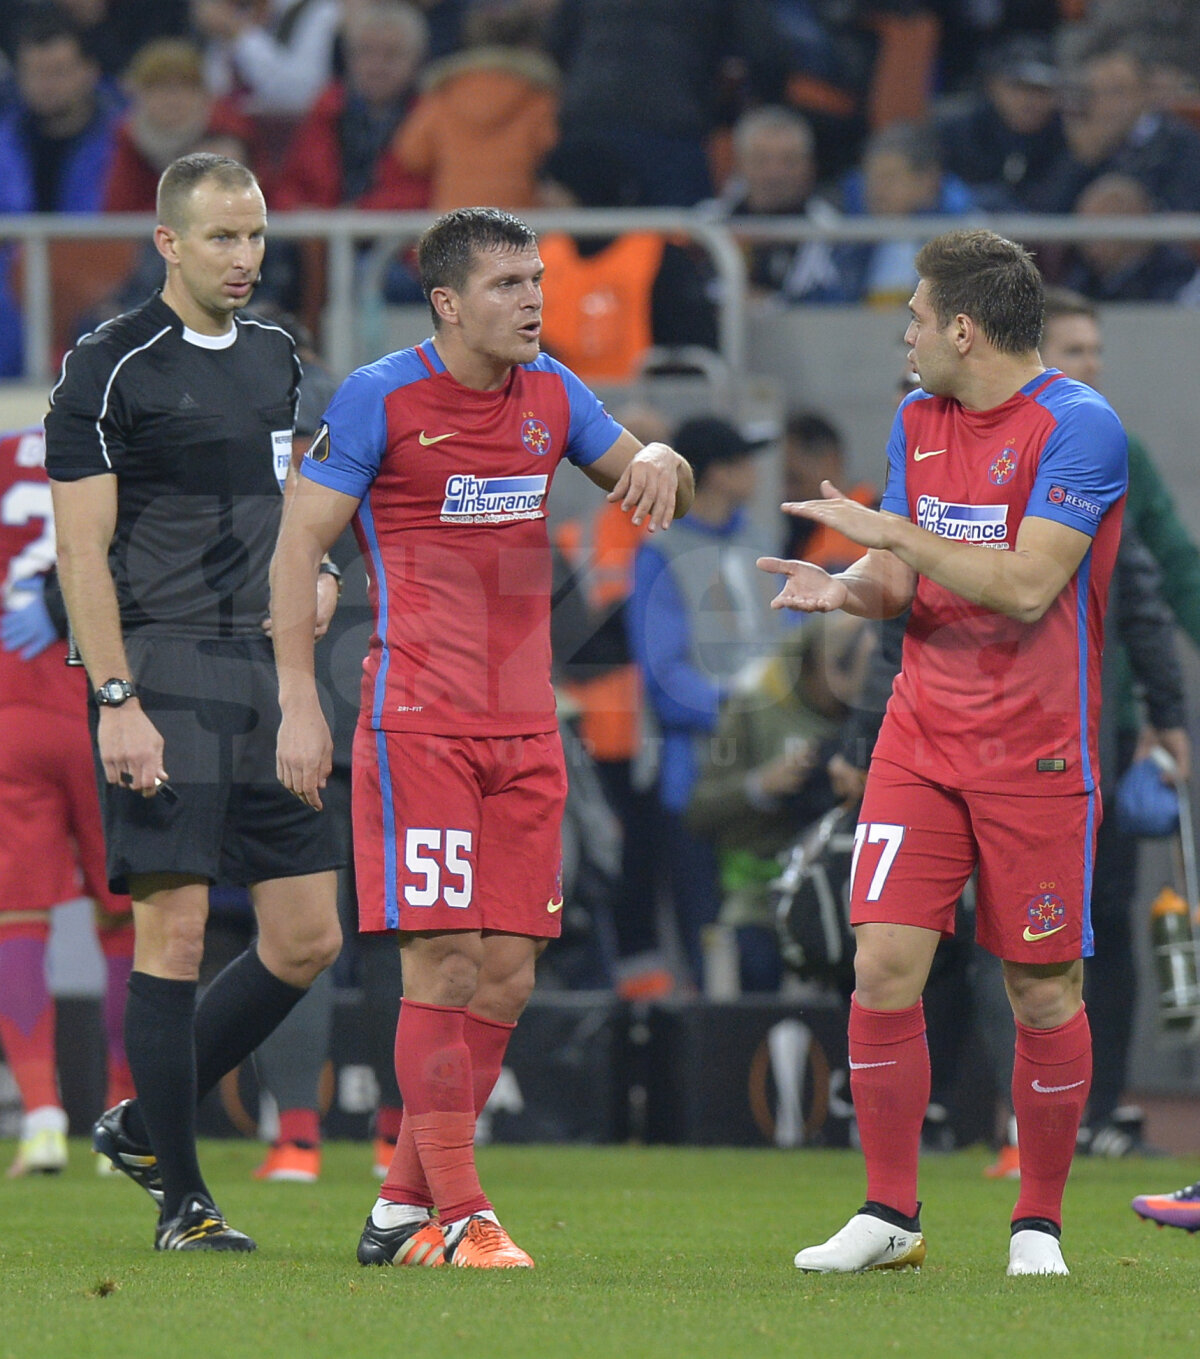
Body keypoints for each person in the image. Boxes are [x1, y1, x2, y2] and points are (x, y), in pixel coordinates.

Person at [269, 206, 692, 1268]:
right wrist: (298, 700)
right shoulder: (380, 398)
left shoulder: (555, 392)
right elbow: (295, 546)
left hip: (525, 723)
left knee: (507, 971)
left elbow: (644, 471)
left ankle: (400, 1208)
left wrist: (668, 457)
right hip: (419, 721)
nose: (534, 301)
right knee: (442, 959)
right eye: (508, 285)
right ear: (448, 302)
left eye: (538, 281)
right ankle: (461, 1213)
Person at [758, 227, 1128, 1277]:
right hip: (920, 737)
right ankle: (888, 1213)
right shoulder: (917, 418)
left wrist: (883, 532)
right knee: (881, 964)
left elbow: (1020, 583)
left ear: (964, 327)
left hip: (1036, 752)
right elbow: (907, 579)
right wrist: (850, 584)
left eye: (915, 318)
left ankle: (1038, 1225)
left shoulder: (1079, 426)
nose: (906, 337)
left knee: (1042, 990)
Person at [43, 152, 344, 1252]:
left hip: (266, 670)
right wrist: (116, 697)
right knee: (170, 937)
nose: (245, 257)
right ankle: (185, 1202)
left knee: (308, 934)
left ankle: (136, 1121)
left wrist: (323, 570)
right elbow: (81, 555)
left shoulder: (275, 356)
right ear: (169, 243)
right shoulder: (110, 366)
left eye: (257, 236)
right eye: (222, 237)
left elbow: (293, 496)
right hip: (161, 667)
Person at [0, 424, 136, 1178]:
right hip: (99, 697)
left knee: (17, 916)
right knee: (126, 914)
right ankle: (121, 1120)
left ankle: (42, 1115)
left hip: (9, 709)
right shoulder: (111, 451)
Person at [626, 414, 781, 991]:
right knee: (707, 935)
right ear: (716, 473)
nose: (755, 473)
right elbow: (665, 678)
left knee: (767, 936)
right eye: (742, 461)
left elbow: (788, 644)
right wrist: (746, 710)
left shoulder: (760, 542)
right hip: (697, 777)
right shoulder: (661, 553)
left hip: (769, 772)